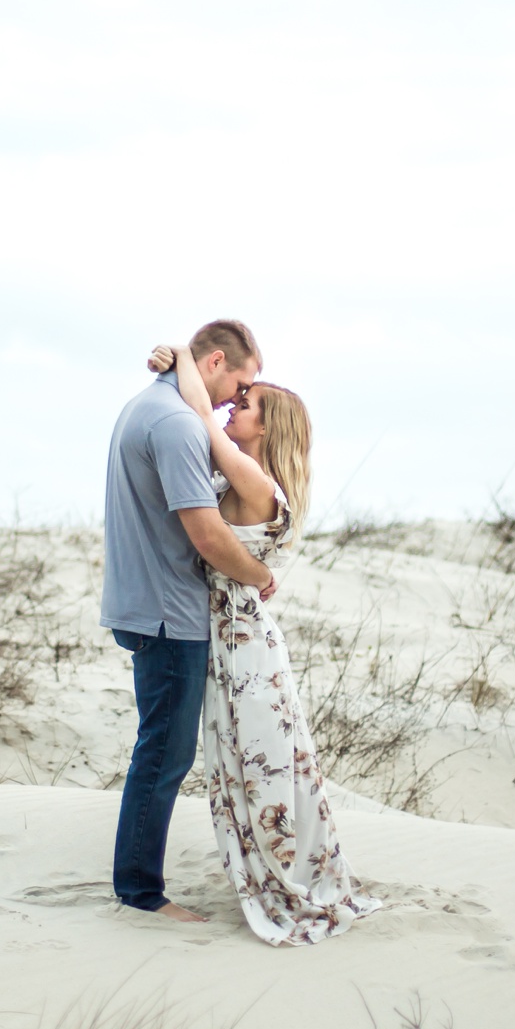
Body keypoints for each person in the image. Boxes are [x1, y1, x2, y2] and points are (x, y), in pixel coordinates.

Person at [143, 343, 385, 946]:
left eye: (245, 402)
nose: (232, 405)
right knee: (244, 765)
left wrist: (180, 359)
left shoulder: (251, 477)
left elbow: (198, 417)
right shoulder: (239, 473)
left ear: (267, 425)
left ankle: (283, 876)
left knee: (262, 767)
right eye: (236, 395)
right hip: (233, 642)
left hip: (245, 648)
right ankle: (277, 867)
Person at [100, 319, 277, 923]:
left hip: (143, 603)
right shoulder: (178, 426)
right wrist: (258, 575)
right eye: (242, 381)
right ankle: (141, 894)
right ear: (215, 362)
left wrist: (174, 353)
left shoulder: (146, 406)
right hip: (169, 615)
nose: (239, 396)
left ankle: (138, 885)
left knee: (159, 750)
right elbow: (205, 533)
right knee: (164, 757)